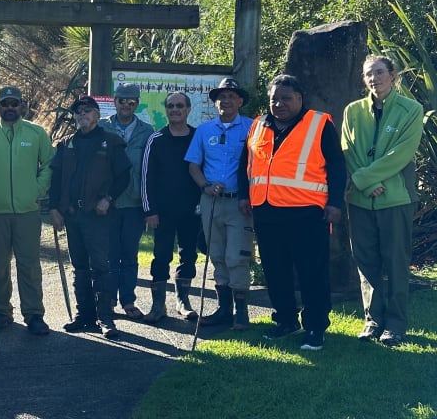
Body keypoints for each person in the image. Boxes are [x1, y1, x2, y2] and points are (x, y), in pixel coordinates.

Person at [239, 74, 347, 351]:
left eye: (286, 98)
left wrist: (335, 203)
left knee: (312, 272)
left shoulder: (319, 124)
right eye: (274, 98)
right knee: (276, 272)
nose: (279, 104)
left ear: (300, 99)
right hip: (266, 211)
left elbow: (336, 166)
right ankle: (286, 321)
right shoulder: (258, 125)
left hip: (307, 213)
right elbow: (246, 164)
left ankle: (315, 327)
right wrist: (243, 196)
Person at [342, 55, 424, 347]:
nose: (373, 78)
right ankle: (373, 321)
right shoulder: (352, 111)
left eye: (379, 72)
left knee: (396, 262)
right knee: (366, 262)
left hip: (395, 199)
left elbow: (402, 153)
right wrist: (367, 183)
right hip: (361, 201)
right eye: (368, 74)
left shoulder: (412, 110)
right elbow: (348, 150)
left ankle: (396, 324)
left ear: (393, 75)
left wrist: (367, 179)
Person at [0, 86, 54, 336]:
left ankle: (34, 314)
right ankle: (2, 312)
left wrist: (36, 189)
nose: (10, 108)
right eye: (5, 103)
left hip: (27, 211)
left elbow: (49, 163)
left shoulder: (37, 133)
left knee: (29, 265)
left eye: (14, 103)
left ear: (22, 106)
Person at [49, 95, 131, 338]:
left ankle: (105, 318)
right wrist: (54, 208)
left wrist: (109, 199)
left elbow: (124, 177)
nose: (82, 114)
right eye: (78, 111)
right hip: (72, 216)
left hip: (99, 216)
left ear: (97, 115)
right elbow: (55, 180)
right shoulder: (65, 144)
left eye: (87, 110)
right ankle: (84, 316)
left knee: (102, 268)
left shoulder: (111, 142)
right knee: (80, 268)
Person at [186, 79, 255, 330]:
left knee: (237, 256)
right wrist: (205, 185)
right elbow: (193, 165)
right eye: (221, 97)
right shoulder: (204, 130)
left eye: (231, 96)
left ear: (240, 101)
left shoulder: (252, 128)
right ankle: (223, 309)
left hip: (240, 203)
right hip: (211, 201)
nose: (226, 101)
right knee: (216, 255)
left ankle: (242, 312)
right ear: (215, 102)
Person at [141, 92, 200, 323]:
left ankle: (182, 301)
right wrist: (150, 211)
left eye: (180, 106)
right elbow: (146, 177)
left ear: (188, 109)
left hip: (191, 211)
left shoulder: (197, 137)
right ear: (166, 109)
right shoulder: (156, 139)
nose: (175, 109)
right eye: (171, 106)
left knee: (189, 255)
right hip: (162, 213)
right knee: (161, 255)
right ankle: (158, 305)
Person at [102, 82, 154, 320]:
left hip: (134, 202)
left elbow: (151, 170)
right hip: (107, 202)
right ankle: (110, 298)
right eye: (122, 100)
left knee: (129, 253)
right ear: (115, 101)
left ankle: (128, 300)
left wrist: (149, 205)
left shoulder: (147, 130)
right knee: (110, 253)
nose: (126, 105)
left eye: (131, 101)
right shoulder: (102, 127)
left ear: (137, 103)